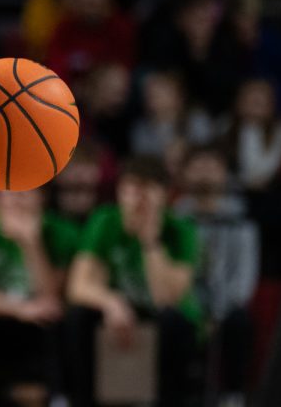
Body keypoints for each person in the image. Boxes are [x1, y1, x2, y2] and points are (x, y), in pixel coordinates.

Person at [65, 156, 200, 407]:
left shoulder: (181, 229)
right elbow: (78, 286)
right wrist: (111, 302)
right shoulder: (106, 219)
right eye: (131, 190)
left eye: (148, 191)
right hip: (120, 315)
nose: (139, 201)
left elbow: (166, 298)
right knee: (78, 316)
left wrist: (150, 242)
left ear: (164, 196)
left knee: (173, 321)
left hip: (162, 319)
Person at [0, 187, 78, 407]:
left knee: (55, 318)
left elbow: (51, 297)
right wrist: (20, 309)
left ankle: (55, 395)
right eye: (8, 194)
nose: (14, 202)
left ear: (41, 198)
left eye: (23, 194)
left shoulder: (61, 231)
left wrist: (30, 243)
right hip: (1, 319)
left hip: (38, 325)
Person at [173, 146, 258, 405]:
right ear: (184, 174)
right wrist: (196, 312)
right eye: (198, 166)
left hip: (225, 308)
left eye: (212, 166)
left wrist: (217, 313)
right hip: (186, 306)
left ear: (225, 174)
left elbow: (245, 281)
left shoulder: (242, 223)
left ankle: (232, 395)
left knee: (239, 320)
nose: (205, 173)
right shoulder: (174, 221)